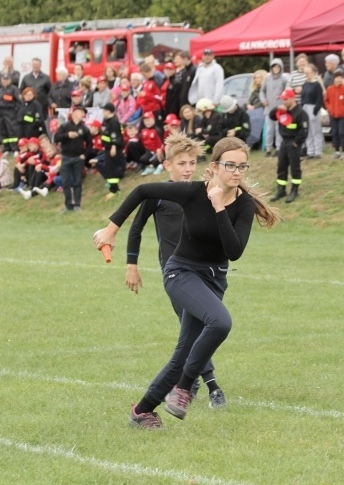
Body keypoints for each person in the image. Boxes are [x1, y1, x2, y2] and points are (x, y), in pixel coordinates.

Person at [93, 136, 280, 429]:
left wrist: (219, 207)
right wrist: (111, 228)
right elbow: (142, 191)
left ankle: (142, 412)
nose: (237, 172)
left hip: (214, 279)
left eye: (242, 166)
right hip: (180, 272)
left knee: (183, 354)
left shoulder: (242, 204)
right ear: (216, 167)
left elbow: (234, 251)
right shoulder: (192, 192)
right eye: (230, 165)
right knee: (220, 322)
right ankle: (184, 388)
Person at [124, 132, 228, 406]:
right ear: (168, 164)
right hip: (176, 274)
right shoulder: (157, 196)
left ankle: (192, 381)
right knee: (197, 325)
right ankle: (212, 386)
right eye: (182, 163)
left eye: (192, 163)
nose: (188, 168)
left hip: (205, 272)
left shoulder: (202, 193)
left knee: (200, 327)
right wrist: (131, 265)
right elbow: (136, 229)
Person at [269, 88, 308, 203]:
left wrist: (296, 143)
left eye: (286, 99)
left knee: (295, 167)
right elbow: (272, 116)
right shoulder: (283, 110)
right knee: (281, 166)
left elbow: (304, 130)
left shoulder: (301, 113)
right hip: (284, 142)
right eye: (282, 99)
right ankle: (281, 190)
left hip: (294, 143)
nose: (284, 101)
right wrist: (277, 108)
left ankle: (294, 191)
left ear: (292, 98)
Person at [54, 106, 92, 212]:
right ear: (74, 113)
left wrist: (85, 155)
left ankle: (77, 204)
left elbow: (90, 144)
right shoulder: (65, 126)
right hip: (66, 157)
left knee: (77, 182)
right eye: (81, 112)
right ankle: (68, 205)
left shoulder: (84, 128)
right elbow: (56, 137)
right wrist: (67, 135)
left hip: (78, 159)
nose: (82, 114)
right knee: (66, 182)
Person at [260, 58, 288, 157]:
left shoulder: (284, 79)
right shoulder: (267, 78)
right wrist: (263, 100)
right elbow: (262, 91)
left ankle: (278, 148)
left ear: (281, 67)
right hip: (269, 109)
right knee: (269, 130)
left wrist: (284, 102)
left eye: (278, 66)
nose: (276, 68)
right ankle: (268, 149)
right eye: (274, 66)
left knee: (278, 129)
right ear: (271, 68)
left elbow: (287, 92)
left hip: (280, 109)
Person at [100, 102, 126, 199]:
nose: (103, 112)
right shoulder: (108, 121)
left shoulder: (113, 122)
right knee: (109, 168)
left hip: (112, 148)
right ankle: (114, 189)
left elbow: (115, 136)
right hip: (108, 148)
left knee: (112, 169)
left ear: (108, 111)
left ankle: (114, 190)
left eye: (105, 110)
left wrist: (113, 147)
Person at [324, 71, 344, 159]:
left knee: (341, 133)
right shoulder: (330, 89)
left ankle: (343, 151)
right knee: (335, 133)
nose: (339, 79)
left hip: (342, 115)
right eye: (337, 77)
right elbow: (326, 100)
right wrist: (329, 109)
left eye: (340, 77)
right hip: (333, 115)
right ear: (334, 79)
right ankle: (336, 151)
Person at [301, 64, 325, 159]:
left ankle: (317, 152)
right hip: (305, 108)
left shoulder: (317, 85)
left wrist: (315, 111)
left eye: (308, 72)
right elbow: (303, 98)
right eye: (305, 73)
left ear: (313, 73)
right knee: (308, 131)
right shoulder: (305, 84)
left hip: (313, 108)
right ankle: (310, 152)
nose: (306, 74)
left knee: (316, 131)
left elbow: (319, 99)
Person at [0, 73, 20, 153]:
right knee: (2, 130)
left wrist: (15, 111)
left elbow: (19, 101)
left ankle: (15, 148)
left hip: (10, 112)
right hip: (0, 112)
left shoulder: (14, 89)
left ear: (10, 80)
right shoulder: (0, 90)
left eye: (7, 79)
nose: (5, 81)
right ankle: (6, 148)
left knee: (12, 130)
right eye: (4, 80)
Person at [138, 111, 165, 176]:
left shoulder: (157, 130)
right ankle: (150, 165)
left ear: (153, 120)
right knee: (142, 159)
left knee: (157, 158)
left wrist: (160, 150)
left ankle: (155, 166)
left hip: (157, 151)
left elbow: (161, 143)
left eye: (149, 120)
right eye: (145, 121)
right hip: (149, 151)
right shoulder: (143, 131)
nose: (147, 122)